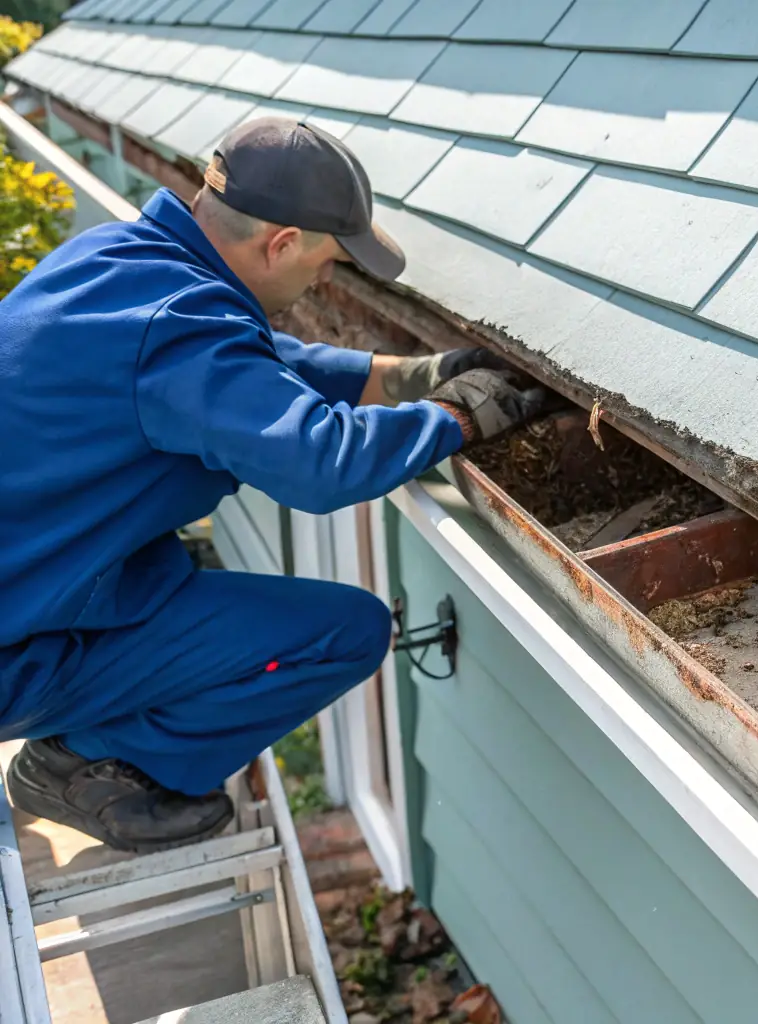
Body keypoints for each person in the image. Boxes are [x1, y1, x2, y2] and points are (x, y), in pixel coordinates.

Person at [0, 117, 545, 852]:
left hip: (40, 585)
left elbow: (245, 359)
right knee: (346, 633)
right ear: (281, 242)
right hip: (18, 648)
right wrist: (456, 418)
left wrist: (402, 377)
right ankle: (82, 764)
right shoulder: (180, 331)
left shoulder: (121, 260)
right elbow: (322, 462)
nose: (327, 279)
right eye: (327, 261)